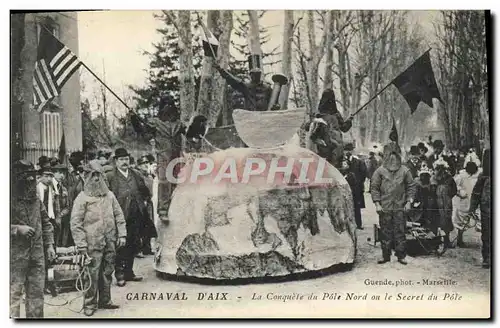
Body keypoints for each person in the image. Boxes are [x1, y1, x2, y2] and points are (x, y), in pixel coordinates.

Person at [71, 161, 127, 316]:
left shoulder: (110, 196)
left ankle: (105, 300)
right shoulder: (82, 199)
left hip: (110, 241)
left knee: (107, 271)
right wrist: (81, 244)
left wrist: (122, 234)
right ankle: (89, 304)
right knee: (91, 274)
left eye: (99, 175)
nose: (96, 179)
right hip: (91, 244)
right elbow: (75, 223)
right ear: (87, 177)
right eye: (93, 175)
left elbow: (119, 215)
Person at [10, 160, 55, 318]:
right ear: (16, 177)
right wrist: (16, 229)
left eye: (32, 176)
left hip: (37, 254)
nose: (30, 180)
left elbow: (46, 223)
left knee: (36, 294)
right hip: (14, 255)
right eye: (26, 176)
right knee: (12, 294)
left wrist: (49, 245)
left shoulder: (35, 199)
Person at [106, 148, 150, 287]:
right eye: (121, 160)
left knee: (134, 243)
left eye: (126, 159)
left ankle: (129, 272)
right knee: (121, 245)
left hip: (136, 215)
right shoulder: (110, 176)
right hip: (120, 217)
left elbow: (145, 192)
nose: (124, 162)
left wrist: (143, 202)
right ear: (116, 161)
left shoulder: (135, 174)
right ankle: (119, 273)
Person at [370, 146, 416, 265]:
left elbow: (411, 186)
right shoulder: (379, 171)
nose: (393, 161)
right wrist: (377, 204)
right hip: (385, 207)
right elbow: (374, 188)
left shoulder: (405, 171)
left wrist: (409, 202)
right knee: (385, 231)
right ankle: (385, 255)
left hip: (400, 207)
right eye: (390, 158)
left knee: (400, 231)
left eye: (395, 158)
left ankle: (401, 255)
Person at [308, 89, 353, 168]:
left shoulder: (318, 114)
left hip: (324, 147)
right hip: (333, 146)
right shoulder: (335, 114)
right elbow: (344, 128)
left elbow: (311, 131)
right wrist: (349, 121)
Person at [469, 148, 490, 268]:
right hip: (486, 207)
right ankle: (487, 257)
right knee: (487, 233)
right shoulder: (483, 176)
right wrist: (472, 208)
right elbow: (476, 193)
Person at [453, 161, 481, 248]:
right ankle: (459, 240)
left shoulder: (475, 176)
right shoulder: (461, 176)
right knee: (461, 220)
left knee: (471, 218)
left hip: (471, 200)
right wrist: (460, 192)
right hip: (462, 201)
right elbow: (453, 186)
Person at [433, 158, 458, 248]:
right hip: (437, 201)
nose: (439, 170)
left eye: (440, 168)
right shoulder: (434, 177)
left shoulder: (449, 178)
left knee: (446, 219)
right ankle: (438, 241)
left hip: (446, 202)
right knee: (438, 220)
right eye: (438, 168)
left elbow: (454, 190)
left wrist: (448, 196)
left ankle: (446, 241)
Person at [135, 155, 157, 257]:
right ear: (138, 165)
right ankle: (138, 249)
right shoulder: (137, 176)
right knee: (140, 225)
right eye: (142, 163)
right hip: (141, 202)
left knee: (149, 224)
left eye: (146, 163)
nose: (145, 165)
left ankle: (147, 247)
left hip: (149, 203)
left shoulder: (150, 176)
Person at [343, 143, 367, 229]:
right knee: (345, 207)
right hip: (344, 188)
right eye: (346, 150)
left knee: (357, 207)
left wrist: (359, 183)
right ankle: (346, 225)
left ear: (352, 151)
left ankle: (358, 224)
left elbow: (363, 174)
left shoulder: (358, 162)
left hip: (356, 188)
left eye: (349, 150)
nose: (347, 152)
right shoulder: (341, 161)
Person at [50, 160, 71, 247]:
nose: (62, 175)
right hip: (50, 221)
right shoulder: (49, 186)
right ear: (53, 174)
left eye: (64, 173)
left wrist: (61, 214)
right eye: (59, 173)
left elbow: (67, 206)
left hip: (60, 220)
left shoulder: (64, 189)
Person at [410, 166, 438, 231]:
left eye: (426, 175)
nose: (424, 177)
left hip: (428, 205)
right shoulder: (416, 183)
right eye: (422, 175)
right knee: (417, 221)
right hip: (419, 204)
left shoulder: (432, 184)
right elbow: (413, 194)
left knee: (429, 221)